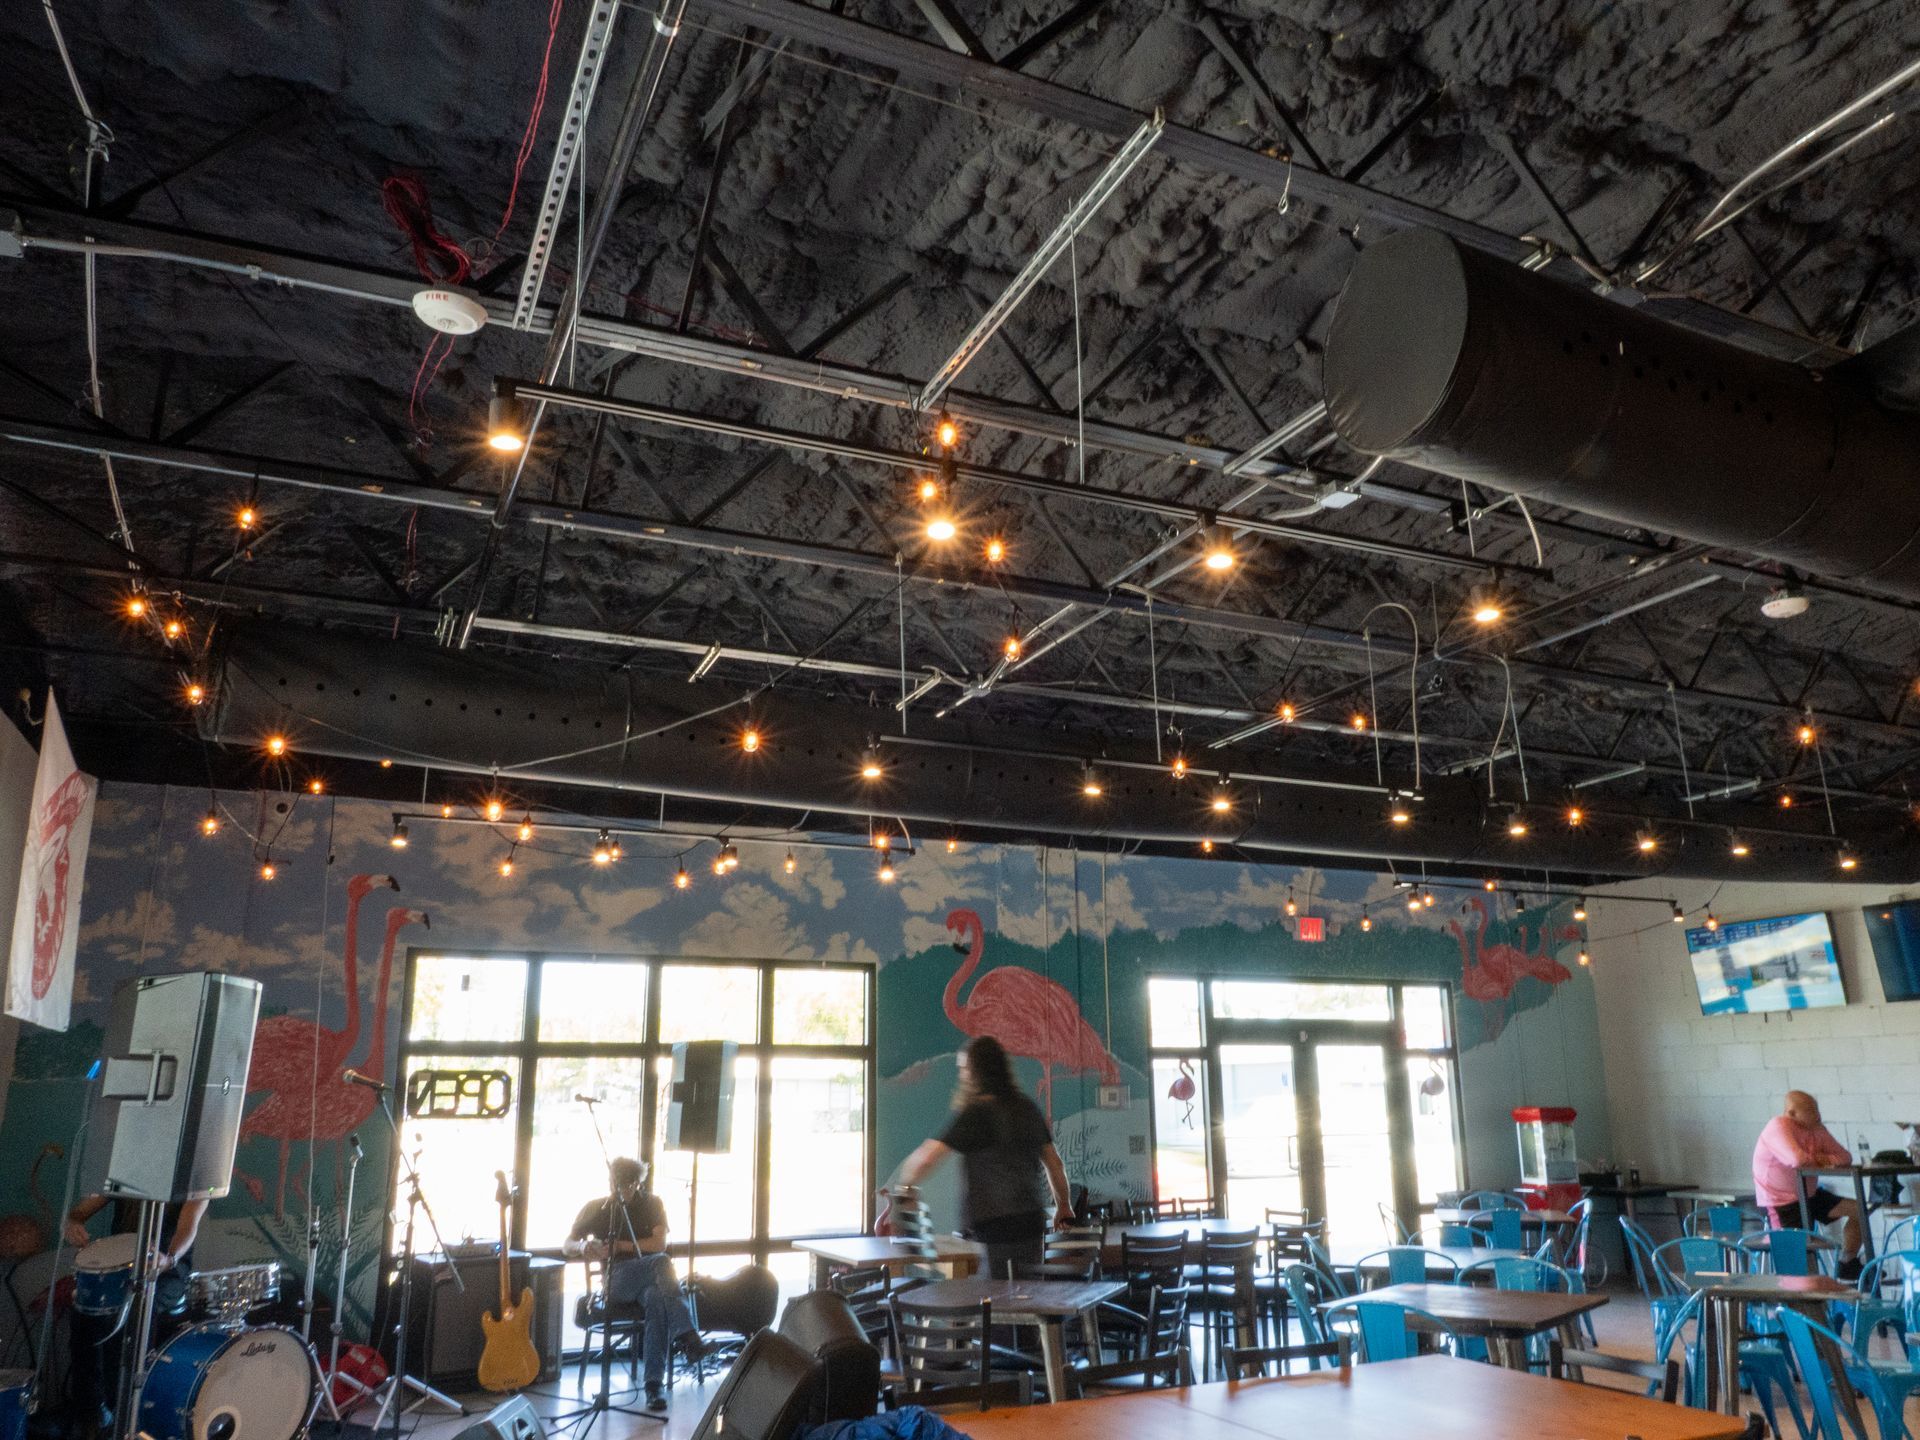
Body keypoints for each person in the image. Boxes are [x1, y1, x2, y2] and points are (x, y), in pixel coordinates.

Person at [897, 1035, 1076, 1274]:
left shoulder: (976, 1112)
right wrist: (1064, 1205)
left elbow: (927, 1158)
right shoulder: (1027, 1108)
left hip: (995, 1223)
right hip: (1031, 1220)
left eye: (964, 1069)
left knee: (998, 1291)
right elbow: (1054, 1164)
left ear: (975, 1072)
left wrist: (905, 1186)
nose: (962, 1075)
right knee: (1028, 1287)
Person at [563, 1157, 706, 1413]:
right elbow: (567, 1244)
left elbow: (659, 1243)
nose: (620, 1190)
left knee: (656, 1298)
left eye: (626, 1185)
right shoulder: (597, 1207)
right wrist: (583, 1246)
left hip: (649, 1281)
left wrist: (621, 1246)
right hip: (616, 1280)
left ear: (637, 1183)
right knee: (661, 1262)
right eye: (615, 1184)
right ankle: (688, 1336)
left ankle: (653, 1386)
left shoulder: (653, 1204)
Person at [62, 1193, 207, 1438]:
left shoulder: (193, 1179)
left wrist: (169, 1258)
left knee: (130, 1312)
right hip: (122, 1270)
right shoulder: (126, 1177)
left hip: (167, 1272)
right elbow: (80, 1211)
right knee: (83, 1311)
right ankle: (91, 1414)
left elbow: (187, 1227)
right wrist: (72, 1223)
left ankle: (124, 1412)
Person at [1752, 1089, 1863, 1278]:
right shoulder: (1778, 1126)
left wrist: (1821, 1158)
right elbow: (1796, 1160)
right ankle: (1799, 1289)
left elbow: (1845, 1157)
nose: (1818, 1115)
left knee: (1859, 1210)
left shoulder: (1816, 1128)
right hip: (1782, 1202)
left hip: (1809, 1195)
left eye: (1817, 1109)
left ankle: (1847, 1262)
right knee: (1798, 1252)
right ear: (1792, 1113)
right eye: (1811, 1110)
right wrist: (1822, 1158)